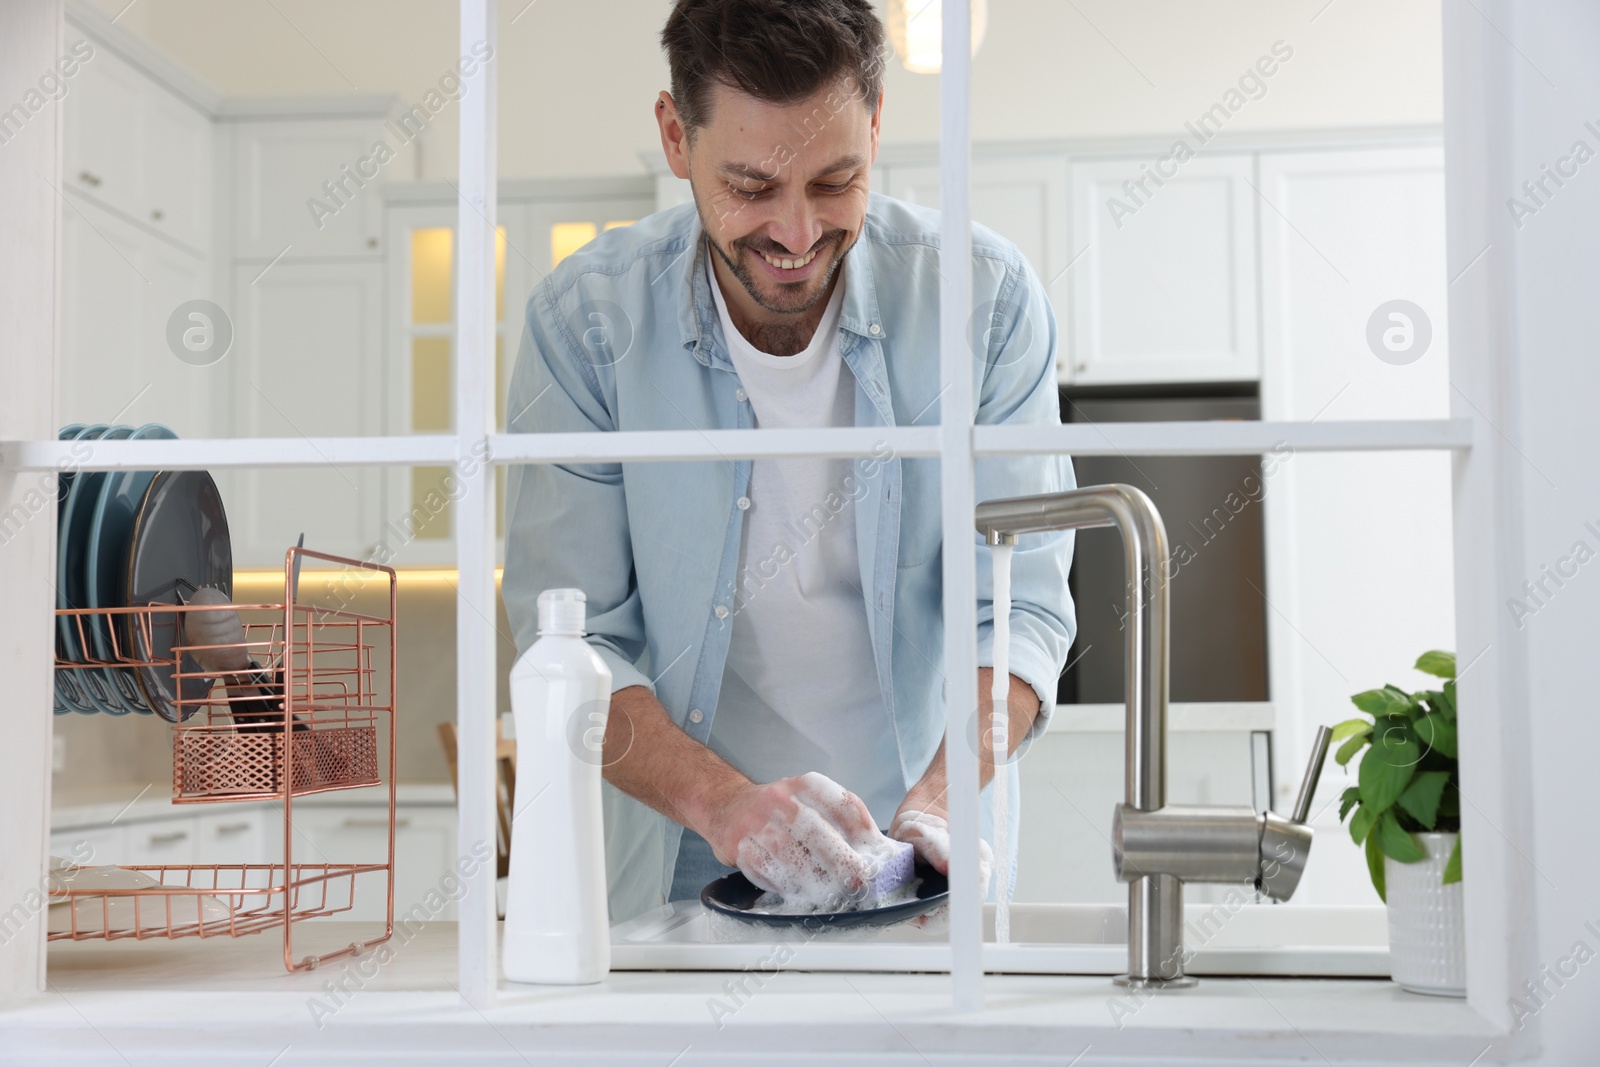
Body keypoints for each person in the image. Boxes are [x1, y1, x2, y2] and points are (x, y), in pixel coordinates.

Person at [503, 0, 1075, 923]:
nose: (799, 235)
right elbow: (571, 639)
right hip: (681, 860)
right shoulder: (585, 324)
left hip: (926, 851)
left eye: (835, 180)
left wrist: (938, 796)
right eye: (753, 186)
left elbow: (1021, 612)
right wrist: (730, 809)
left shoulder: (988, 302)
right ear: (673, 136)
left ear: (879, 127)